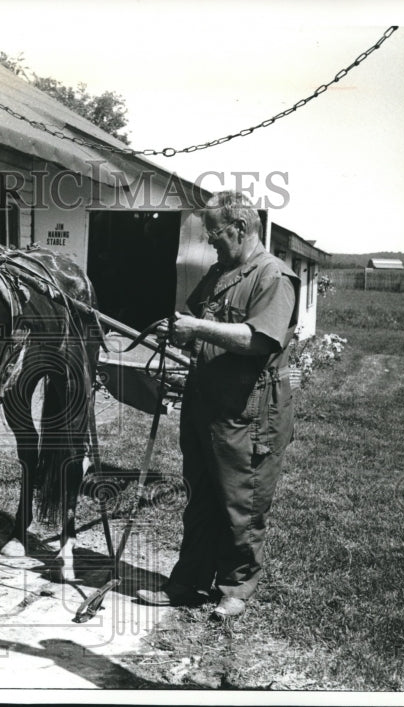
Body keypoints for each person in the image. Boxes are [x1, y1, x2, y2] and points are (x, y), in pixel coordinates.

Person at [137, 191, 299, 618]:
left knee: (240, 501)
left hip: (248, 411)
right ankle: (189, 581)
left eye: (215, 233)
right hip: (207, 403)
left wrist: (197, 328)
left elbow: (257, 339)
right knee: (201, 498)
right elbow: (202, 325)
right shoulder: (220, 273)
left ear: (241, 228)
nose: (209, 241)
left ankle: (235, 588)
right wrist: (178, 331)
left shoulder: (273, 277)